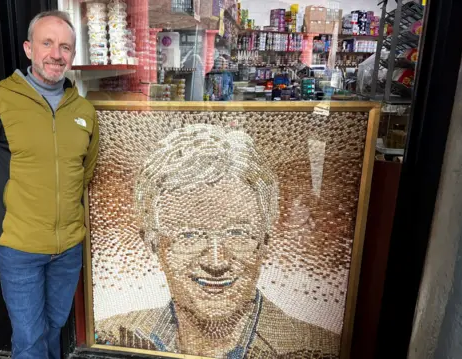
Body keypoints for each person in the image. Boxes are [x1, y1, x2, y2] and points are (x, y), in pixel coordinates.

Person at [96, 124, 339, 359]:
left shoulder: (321, 350)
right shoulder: (108, 337)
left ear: (265, 242)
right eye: (189, 235)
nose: (216, 261)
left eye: (237, 233)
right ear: (152, 243)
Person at [0, 10, 99, 359]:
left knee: (53, 326)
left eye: (65, 47)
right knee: (29, 339)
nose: (56, 54)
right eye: (47, 43)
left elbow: (86, 170)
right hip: (20, 249)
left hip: (67, 248)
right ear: (28, 48)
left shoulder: (83, 111)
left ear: (72, 55)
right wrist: (9, 219)